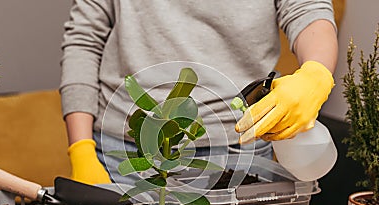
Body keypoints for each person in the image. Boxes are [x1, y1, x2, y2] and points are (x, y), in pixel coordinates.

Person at [59, 0, 338, 185]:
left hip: (237, 155)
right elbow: (84, 37)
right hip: (124, 156)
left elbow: (309, 11)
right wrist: (81, 150)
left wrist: (315, 75)